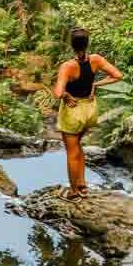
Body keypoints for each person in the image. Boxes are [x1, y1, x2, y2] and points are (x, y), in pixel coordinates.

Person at [52, 27, 123, 200]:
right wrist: (95, 84)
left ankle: (73, 192)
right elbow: (117, 75)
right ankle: (82, 185)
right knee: (78, 146)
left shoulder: (68, 66)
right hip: (90, 110)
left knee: (71, 152)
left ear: (72, 45)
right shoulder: (96, 59)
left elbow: (58, 93)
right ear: (87, 44)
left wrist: (67, 95)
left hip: (73, 111)